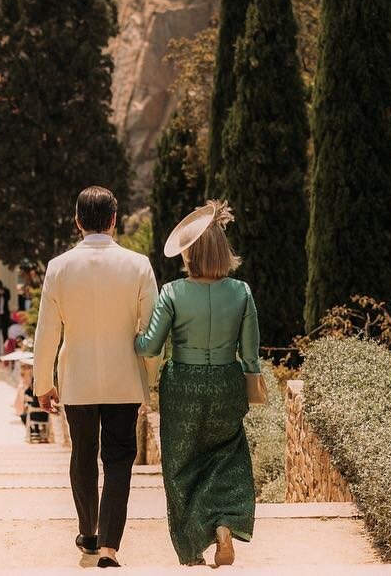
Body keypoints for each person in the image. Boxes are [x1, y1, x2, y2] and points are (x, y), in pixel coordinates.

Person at [33, 186, 157, 569]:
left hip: (78, 380)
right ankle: (109, 547)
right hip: (124, 380)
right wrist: (148, 381)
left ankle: (88, 533)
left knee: (83, 454)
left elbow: (46, 333)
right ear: (115, 220)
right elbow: (152, 332)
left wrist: (43, 383)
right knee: (119, 460)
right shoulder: (138, 265)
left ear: (77, 221)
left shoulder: (59, 267)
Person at [135, 201, 259, 568]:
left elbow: (150, 346)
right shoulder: (241, 292)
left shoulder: (172, 293)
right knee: (228, 456)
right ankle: (223, 524)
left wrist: (130, 335)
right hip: (226, 381)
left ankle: (192, 548)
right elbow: (250, 354)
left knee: (180, 464)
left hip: (183, 385)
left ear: (190, 254)